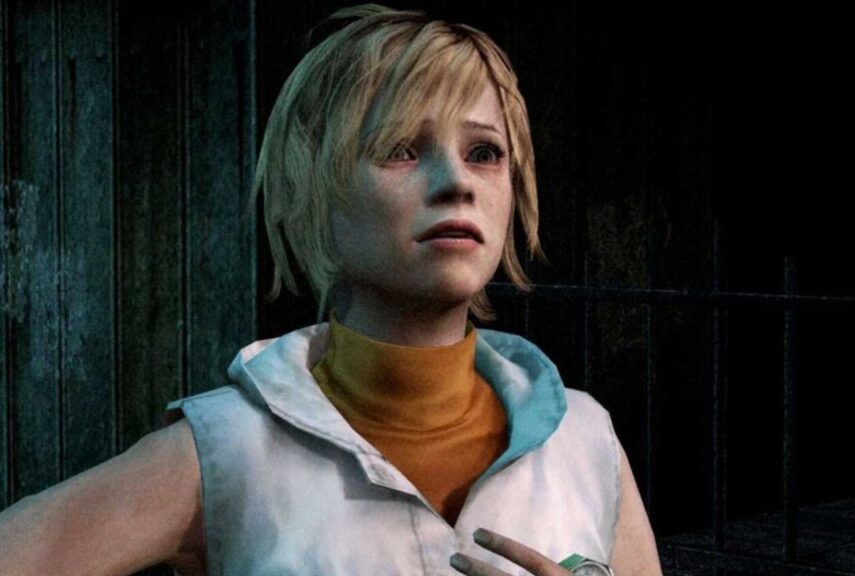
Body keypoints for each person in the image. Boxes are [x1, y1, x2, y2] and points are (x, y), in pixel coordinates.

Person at [0, 4, 662, 575]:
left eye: (484, 153)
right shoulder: (227, 449)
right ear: (314, 187)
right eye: (401, 149)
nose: (456, 182)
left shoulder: (584, 441)